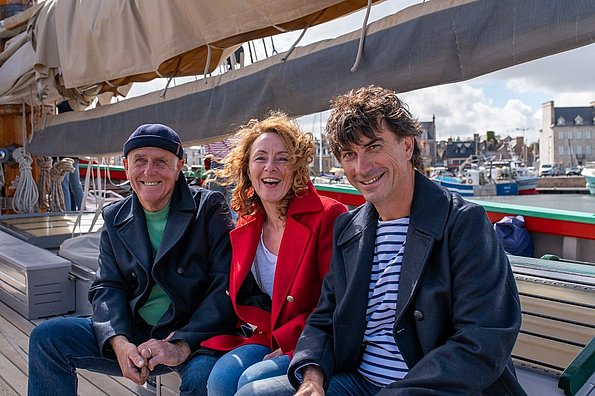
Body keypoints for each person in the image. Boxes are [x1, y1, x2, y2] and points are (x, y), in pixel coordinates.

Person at [240, 86, 527, 395]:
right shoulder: (349, 228)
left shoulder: (463, 224)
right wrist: (312, 377)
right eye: (350, 154)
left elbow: (482, 339)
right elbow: (324, 319)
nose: (362, 168)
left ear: (406, 145)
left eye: (374, 147)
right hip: (360, 382)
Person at [28, 124, 238, 396]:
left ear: (179, 166)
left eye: (161, 161)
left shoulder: (209, 208)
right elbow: (107, 287)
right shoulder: (115, 216)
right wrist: (119, 342)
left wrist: (181, 345)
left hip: (196, 336)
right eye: (140, 161)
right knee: (47, 338)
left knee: (204, 379)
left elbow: (225, 287)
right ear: (126, 167)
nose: (149, 171)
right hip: (135, 333)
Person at [200, 112, 347, 395]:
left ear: (298, 168)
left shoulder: (328, 215)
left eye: (283, 158)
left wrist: (293, 341)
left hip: (316, 337)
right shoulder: (247, 222)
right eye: (260, 158)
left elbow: (338, 301)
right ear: (247, 168)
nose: (271, 167)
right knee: (219, 377)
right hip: (269, 333)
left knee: (250, 385)